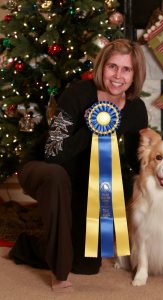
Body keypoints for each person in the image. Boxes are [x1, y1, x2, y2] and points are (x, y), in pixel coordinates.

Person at [10, 39, 148, 292]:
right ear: (101, 68)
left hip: (86, 185)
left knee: (85, 264)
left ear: (135, 74)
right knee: (56, 176)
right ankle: (59, 273)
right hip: (43, 168)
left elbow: (133, 163)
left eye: (126, 69)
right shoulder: (78, 94)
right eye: (112, 67)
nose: (118, 76)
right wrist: (91, 127)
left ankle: (27, 245)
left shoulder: (136, 109)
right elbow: (52, 153)